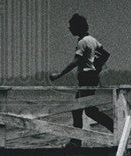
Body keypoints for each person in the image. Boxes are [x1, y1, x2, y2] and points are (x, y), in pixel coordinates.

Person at [49, 13, 114, 148]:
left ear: (78, 27)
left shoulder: (82, 42)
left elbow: (75, 61)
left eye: (71, 26)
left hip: (86, 77)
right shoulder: (92, 40)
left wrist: (58, 75)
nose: (69, 29)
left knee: (85, 109)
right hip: (91, 76)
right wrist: (97, 67)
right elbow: (105, 54)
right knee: (78, 108)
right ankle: (77, 140)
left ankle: (78, 140)